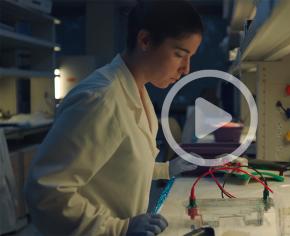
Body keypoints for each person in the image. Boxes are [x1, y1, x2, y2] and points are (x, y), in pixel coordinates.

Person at [24, 1, 203, 235]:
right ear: (145, 41)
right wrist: (120, 228)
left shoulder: (137, 90)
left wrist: (166, 170)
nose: (186, 69)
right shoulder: (101, 98)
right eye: (180, 54)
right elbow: (46, 192)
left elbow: (118, 165)